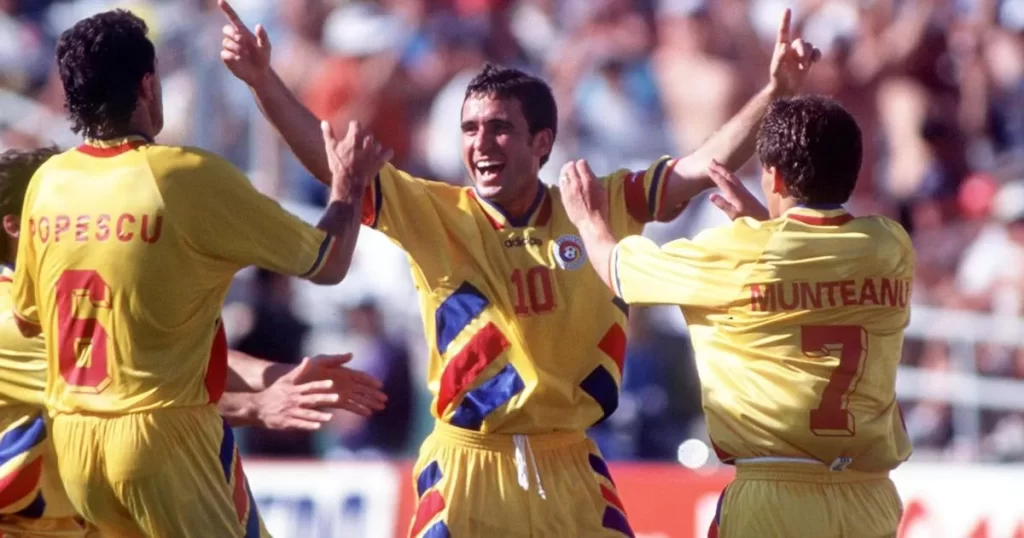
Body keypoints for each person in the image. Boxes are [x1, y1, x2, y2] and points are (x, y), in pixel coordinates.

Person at [219, 2, 819, 535]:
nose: (482, 144)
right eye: (471, 130)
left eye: (501, 128)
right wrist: (261, 81)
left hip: (571, 468)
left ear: (542, 143)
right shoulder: (434, 212)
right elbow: (333, 166)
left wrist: (776, 94)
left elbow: (697, 169)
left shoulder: (594, 206)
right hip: (467, 470)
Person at [10, 10, 390, 538]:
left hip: (76, 446)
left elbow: (33, 321)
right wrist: (347, 187)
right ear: (147, 85)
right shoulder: (183, 176)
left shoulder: (48, 184)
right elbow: (327, 261)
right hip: (162, 441)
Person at [560, 95, 913, 537]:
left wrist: (589, 219)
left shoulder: (735, 253)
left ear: (775, 176)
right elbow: (813, 273)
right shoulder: (889, 246)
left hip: (775, 494)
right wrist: (769, 223)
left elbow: (621, 271)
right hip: (870, 496)